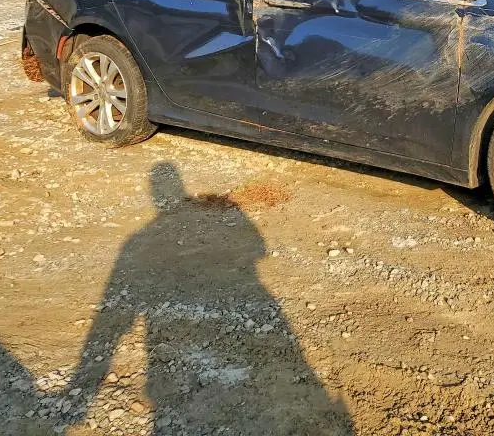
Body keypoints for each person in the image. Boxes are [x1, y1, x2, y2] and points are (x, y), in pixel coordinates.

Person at [62, 161, 354, 435]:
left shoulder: (139, 240)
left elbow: (113, 315)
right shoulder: (144, 240)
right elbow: (258, 249)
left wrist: (81, 387)